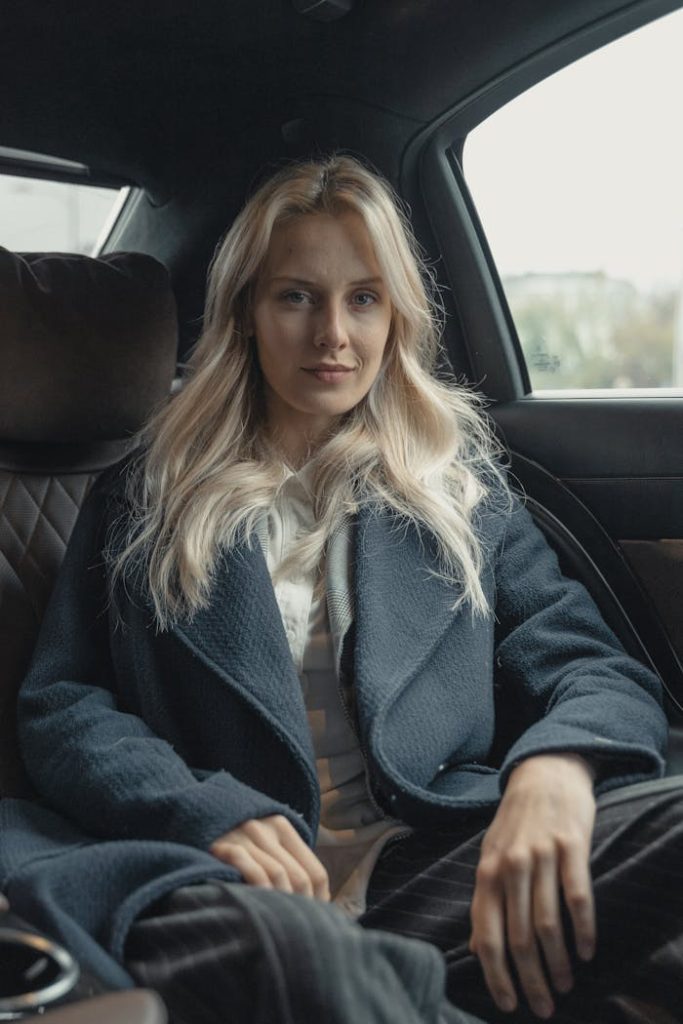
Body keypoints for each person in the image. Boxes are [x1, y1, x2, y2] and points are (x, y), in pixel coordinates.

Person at [0, 154, 681, 1024]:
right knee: (308, 962)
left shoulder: (455, 485)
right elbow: (63, 705)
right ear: (246, 312)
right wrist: (202, 811)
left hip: (427, 860)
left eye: (363, 297)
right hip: (223, 874)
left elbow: (588, 666)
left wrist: (553, 771)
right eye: (295, 297)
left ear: (395, 315)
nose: (333, 334)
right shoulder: (146, 492)